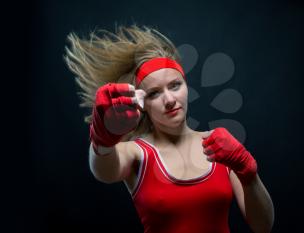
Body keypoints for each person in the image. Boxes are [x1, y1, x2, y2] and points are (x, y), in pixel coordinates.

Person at [64, 24, 274, 233]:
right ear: (142, 104)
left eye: (175, 85)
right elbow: (103, 171)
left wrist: (248, 171)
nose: (170, 100)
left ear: (186, 85)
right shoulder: (138, 153)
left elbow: (263, 226)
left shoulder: (219, 146)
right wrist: (102, 139)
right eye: (154, 93)